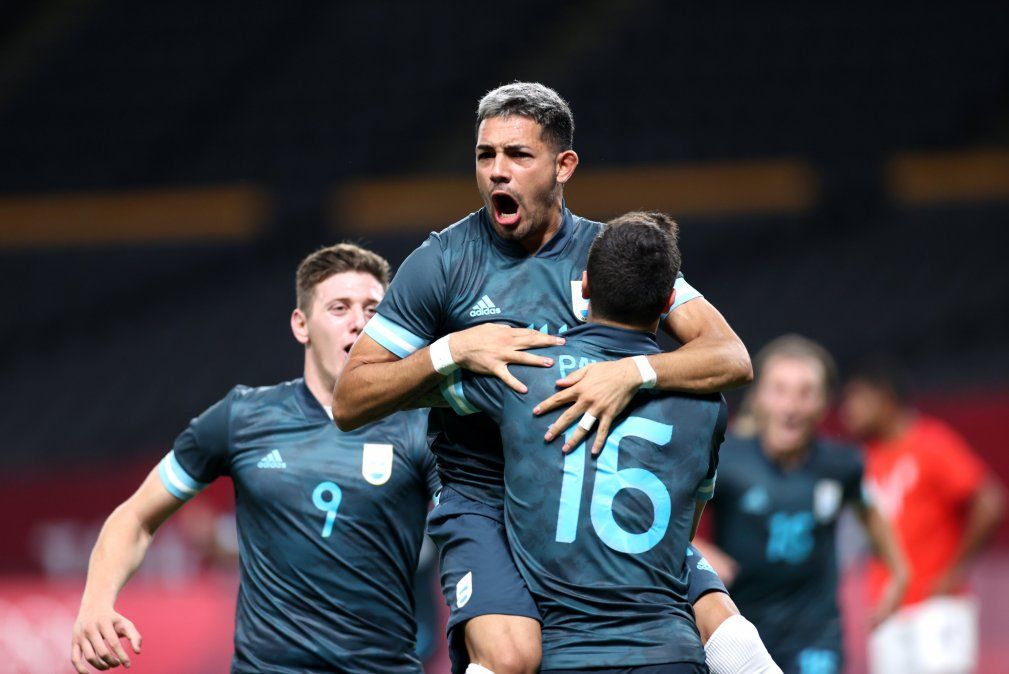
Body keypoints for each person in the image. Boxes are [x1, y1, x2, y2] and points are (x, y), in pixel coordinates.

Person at [334, 82, 753, 674]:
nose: (497, 172)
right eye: (485, 155)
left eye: (518, 155)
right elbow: (351, 398)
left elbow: (730, 355)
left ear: (563, 165)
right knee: (512, 657)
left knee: (732, 634)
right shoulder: (442, 262)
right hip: (483, 496)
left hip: (589, 493)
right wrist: (452, 349)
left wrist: (629, 373)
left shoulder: (607, 257)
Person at [436, 212, 781, 673]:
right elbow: (685, 531)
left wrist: (454, 350)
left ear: (583, 287)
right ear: (669, 302)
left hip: (567, 656)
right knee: (733, 636)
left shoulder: (522, 372)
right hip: (670, 656)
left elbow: (384, 396)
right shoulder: (708, 405)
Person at [70, 244, 438, 674]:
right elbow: (135, 517)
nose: (359, 322)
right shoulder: (242, 418)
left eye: (373, 310)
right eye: (339, 308)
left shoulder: (422, 427)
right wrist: (95, 603)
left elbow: (480, 532)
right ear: (301, 325)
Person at [694, 336, 908, 674]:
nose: (791, 406)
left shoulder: (843, 464)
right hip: (740, 630)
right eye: (779, 390)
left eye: (805, 392)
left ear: (824, 403)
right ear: (758, 398)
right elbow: (672, 521)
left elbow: (870, 511)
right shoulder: (724, 458)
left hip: (815, 634)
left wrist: (899, 571)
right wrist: (700, 550)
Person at [841, 360, 1006, 674]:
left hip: (935, 606)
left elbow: (989, 503)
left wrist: (955, 570)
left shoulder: (931, 443)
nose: (849, 410)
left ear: (884, 398)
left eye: (857, 399)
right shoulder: (866, 457)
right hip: (888, 607)